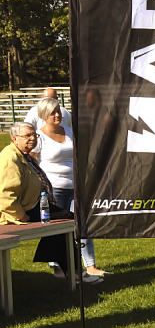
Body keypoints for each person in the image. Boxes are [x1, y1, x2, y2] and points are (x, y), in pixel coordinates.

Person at [0, 121, 98, 282]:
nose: (32, 138)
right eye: (27, 136)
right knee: (69, 221)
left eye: (34, 135)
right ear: (15, 138)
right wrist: (20, 215)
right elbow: (5, 194)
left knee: (65, 225)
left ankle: (68, 270)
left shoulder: (23, 155)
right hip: (25, 211)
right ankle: (74, 272)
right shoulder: (10, 158)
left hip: (37, 206)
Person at [31, 97, 107, 279]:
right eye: (53, 113)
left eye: (58, 111)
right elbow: (32, 163)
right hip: (54, 190)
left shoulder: (69, 132)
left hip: (75, 187)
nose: (58, 115)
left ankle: (90, 265)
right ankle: (58, 267)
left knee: (82, 225)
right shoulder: (39, 137)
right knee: (56, 229)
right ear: (44, 116)